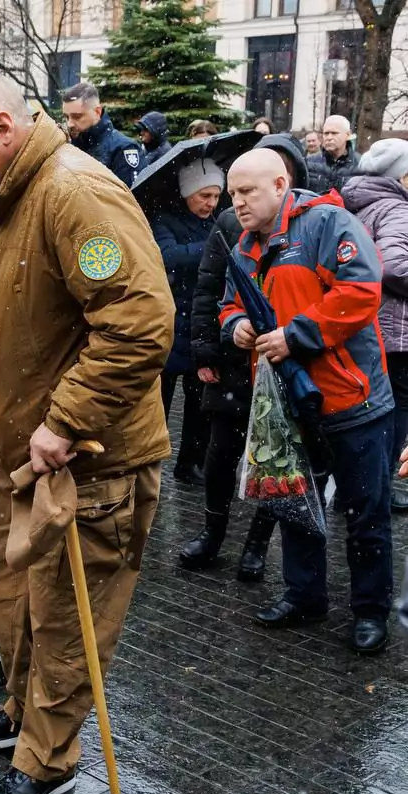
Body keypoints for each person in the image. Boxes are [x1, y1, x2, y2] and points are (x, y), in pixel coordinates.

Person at [0, 68, 173, 794]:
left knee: (67, 616)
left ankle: (49, 759)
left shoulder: (75, 193)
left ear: (2, 126)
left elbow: (138, 322)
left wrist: (65, 421)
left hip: (86, 462)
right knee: (9, 601)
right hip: (18, 458)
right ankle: (19, 707)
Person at [221, 148, 393, 653]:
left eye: (247, 191)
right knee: (295, 501)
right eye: (233, 194)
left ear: (280, 184)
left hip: (351, 399)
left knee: (366, 512)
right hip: (287, 404)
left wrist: (295, 335)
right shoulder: (246, 245)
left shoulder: (327, 224)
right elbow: (229, 303)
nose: (238, 203)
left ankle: (370, 611)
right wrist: (238, 327)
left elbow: (361, 291)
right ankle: (304, 594)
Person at [183, 134, 306, 578]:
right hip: (233, 364)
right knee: (220, 455)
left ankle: (256, 545)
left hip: (281, 366)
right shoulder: (230, 225)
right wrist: (206, 348)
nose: (239, 200)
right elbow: (208, 288)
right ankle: (212, 535)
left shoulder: (310, 227)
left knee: (273, 460)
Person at [342, 138, 408, 513]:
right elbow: (395, 266)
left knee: (369, 408)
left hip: (367, 326)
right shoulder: (397, 209)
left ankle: (361, 485)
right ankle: (383, 485)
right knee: (396, 410)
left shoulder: (358, 202)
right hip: (397, 330)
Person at [151, 159, 222, 485]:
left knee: (198, 405)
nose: (210, 203)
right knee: (158, 404)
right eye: (204, 195)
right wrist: (211, 249)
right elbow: (169, 257)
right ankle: (150, 463)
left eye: (216, 196)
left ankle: (190, 463)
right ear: (187, 193)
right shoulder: (164, 220)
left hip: (199, 324)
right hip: (168, 321)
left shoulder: (217, 223)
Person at [60, 81, 148, 187]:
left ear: (97, 111)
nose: (69, 124)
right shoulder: (68, 147)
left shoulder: (123, 149)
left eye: (77, 116)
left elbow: (131, 200)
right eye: (66, 117)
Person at [307, 114, 361, 194]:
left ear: (348, 135)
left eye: (334, 133)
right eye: (326, 133)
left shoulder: (360, 165)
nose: (329, 138)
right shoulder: (310, 162)